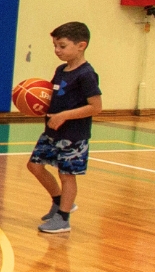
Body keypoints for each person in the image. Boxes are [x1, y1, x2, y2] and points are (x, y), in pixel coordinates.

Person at [29, 22, 101, 234]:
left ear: (81, 45)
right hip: (52, 131)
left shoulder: (86, 74)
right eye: (55, 46)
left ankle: (63, 217)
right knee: (34, 165)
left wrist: (64, 116)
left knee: (67, 175)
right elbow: (51, 96)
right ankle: (59, 201)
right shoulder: (61, 70)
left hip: (73, 135)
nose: (57, 51)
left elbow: (95, 107)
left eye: (62, 46)